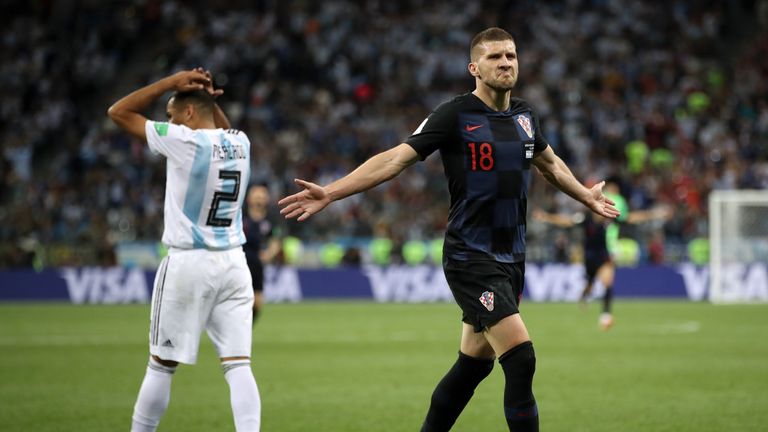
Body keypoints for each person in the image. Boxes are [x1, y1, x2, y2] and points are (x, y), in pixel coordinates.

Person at [278, 27, 620, 431]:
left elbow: (550, 164)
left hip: (512, 257)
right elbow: (394, 159)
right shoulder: (455, 114)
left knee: (473, 366)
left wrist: (586, 195)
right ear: (474, 67)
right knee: (521, 359)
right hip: (470, 256)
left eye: (511, 56)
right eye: (495, 57)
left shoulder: (525, 116)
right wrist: (331, 193)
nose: (506, 63)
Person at [107, 68, 261, 432]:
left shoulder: (183, 140)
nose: (170, 120)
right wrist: (209, 99)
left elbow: (118, 112)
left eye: (173, 113)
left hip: (189, 262)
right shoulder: (241, 142)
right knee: (239, 366)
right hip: (234, 265)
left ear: (189, 114)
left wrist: (170, 84)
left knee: (161, 365)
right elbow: (222, 129)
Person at [534, 179, 670, 330]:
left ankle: (606, 316)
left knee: (607, 282)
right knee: (590, 286)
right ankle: (584, 296)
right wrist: (546, 217)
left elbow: (631, 218)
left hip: (603, 255)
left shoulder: (609, 218)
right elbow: (567, 221)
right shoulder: (585, 218)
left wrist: (654, 214)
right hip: (589, 257)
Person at [242, 182, 281, 322]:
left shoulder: (271, 219)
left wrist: (269, 254)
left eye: (262, 196)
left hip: (257, 265)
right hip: (239, 262)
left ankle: (246, 328)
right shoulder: (240, 216)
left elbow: (275, 241)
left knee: (257, 303)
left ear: (267, 199)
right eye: (256, 196)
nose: (259, 199)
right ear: (249, 198)